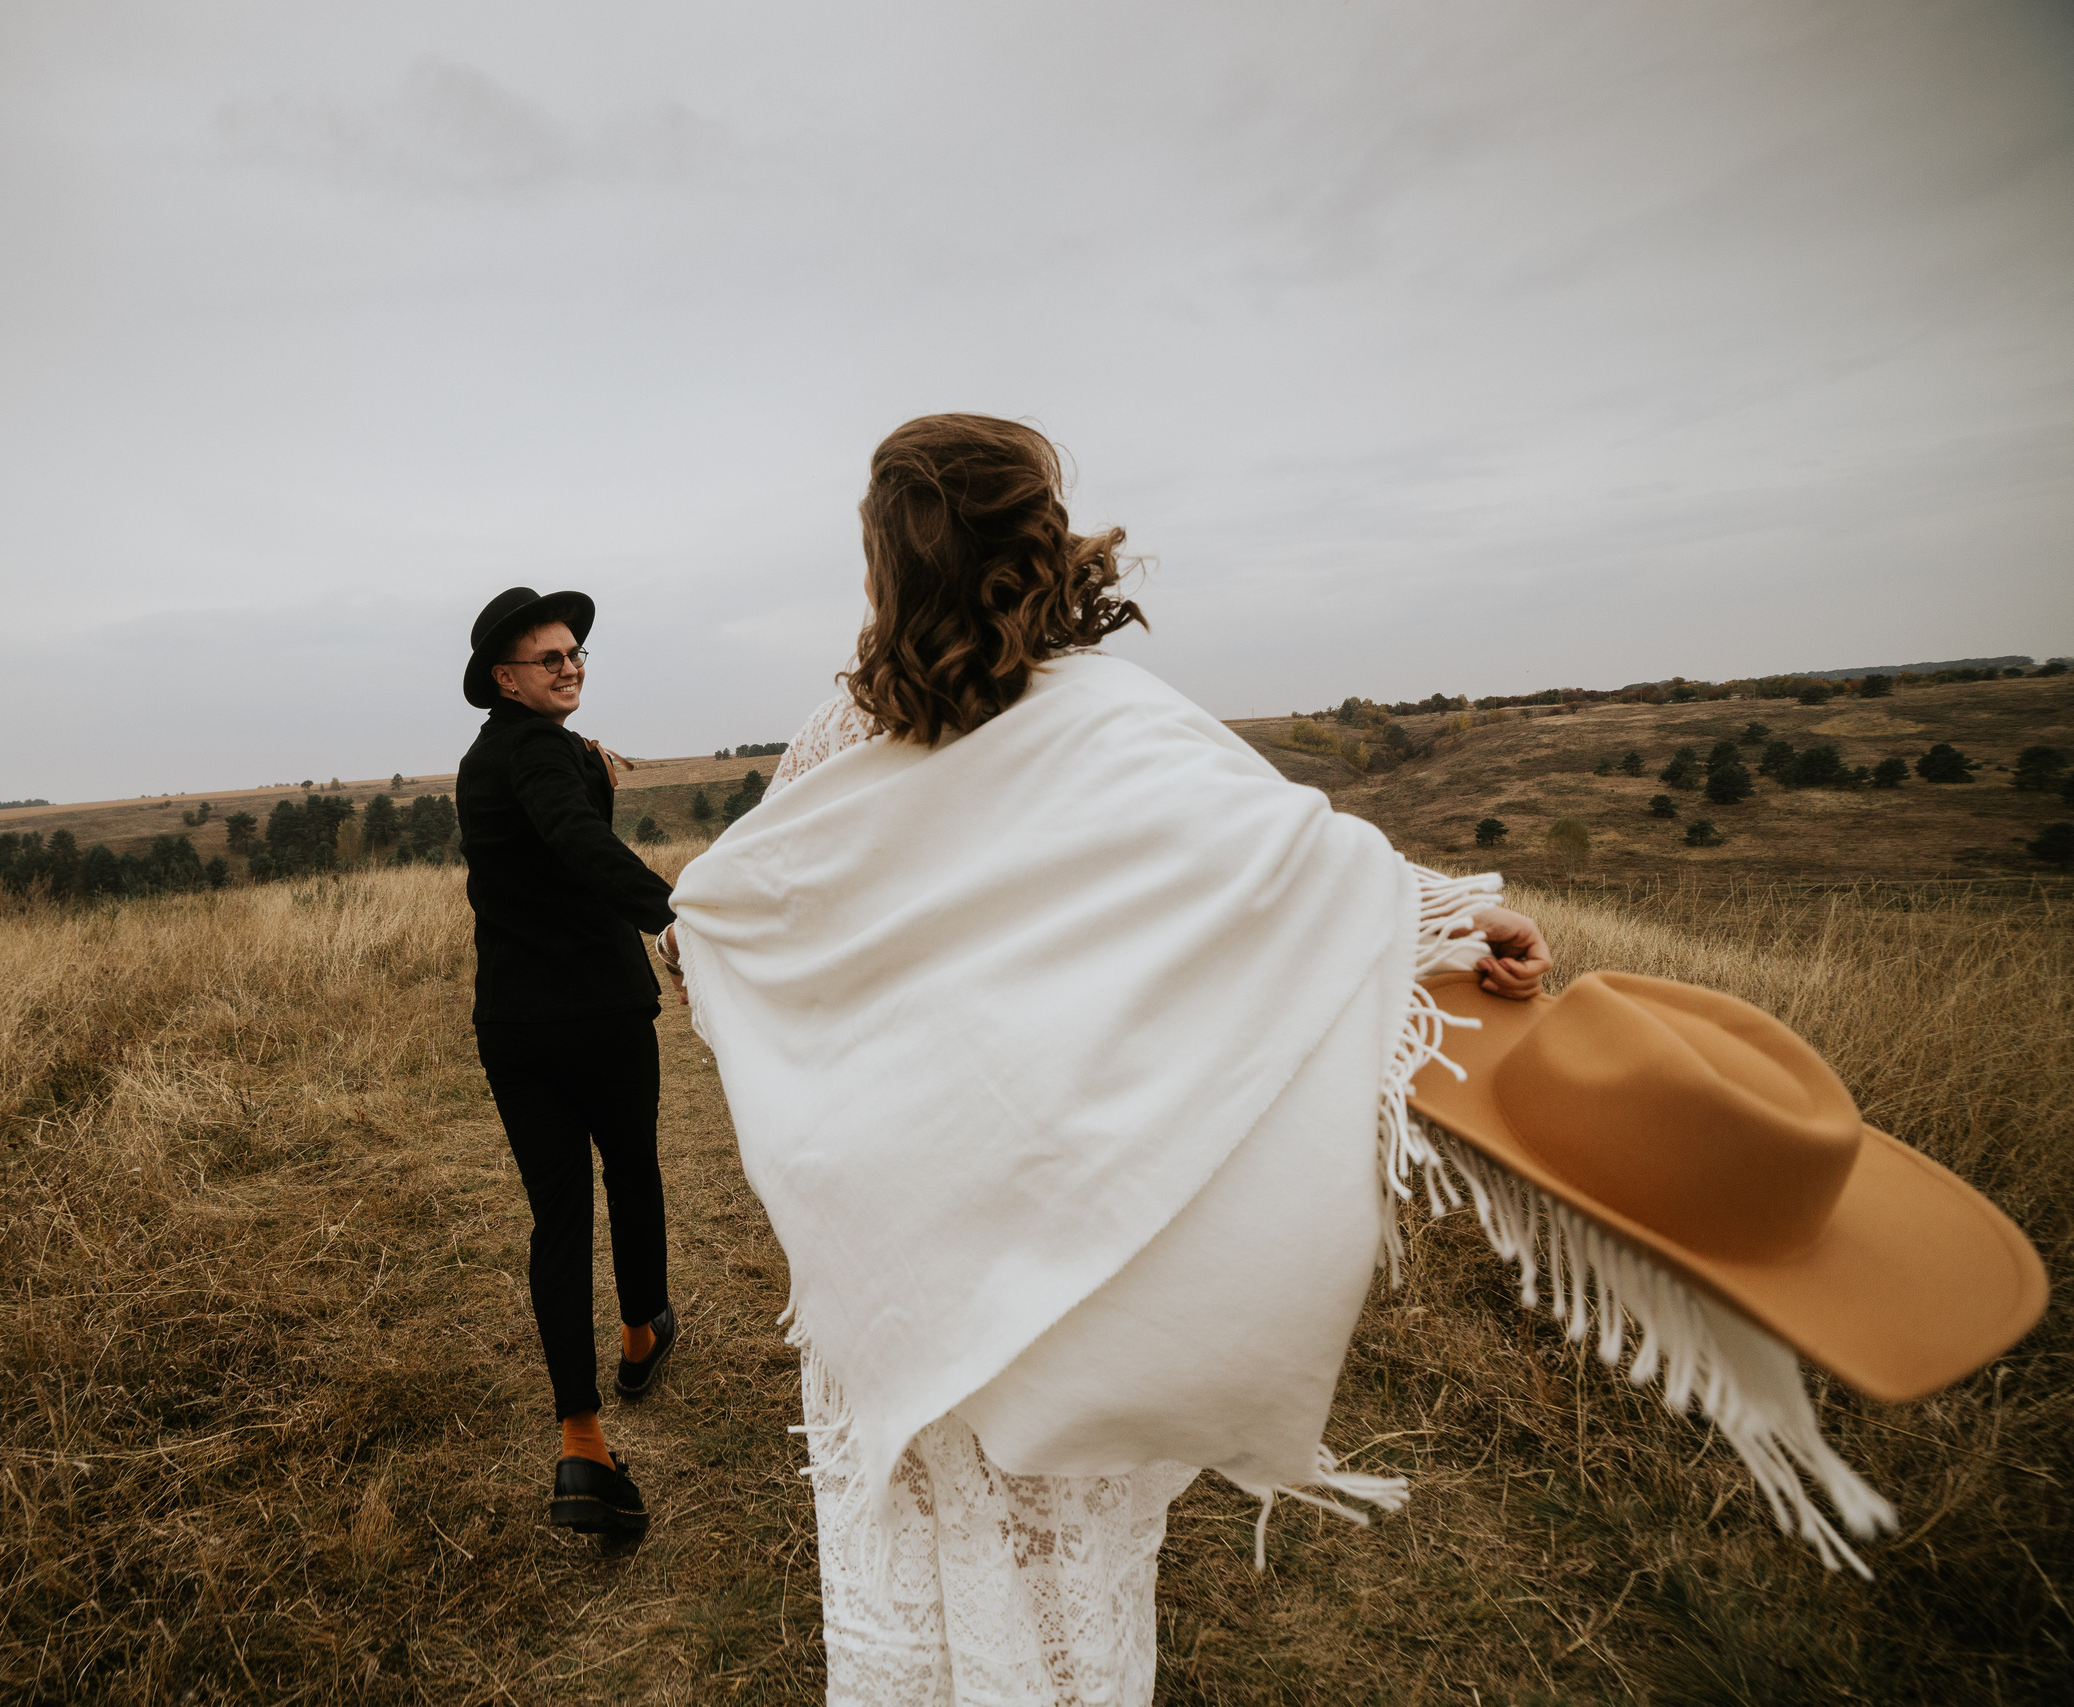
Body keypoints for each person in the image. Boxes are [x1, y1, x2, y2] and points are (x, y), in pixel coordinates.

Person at [661, 416, 2037, 1705]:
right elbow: (1303, 866)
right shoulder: (1107, 717)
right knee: (1051, 1549)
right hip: (1047, 1211)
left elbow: (741, 909)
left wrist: (744, 983)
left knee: (922, 1521)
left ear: (885, 556)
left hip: (903, 1211)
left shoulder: (847, 737)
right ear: (1042, 537)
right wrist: (1451, 922)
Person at [457, 586, 683, 1543]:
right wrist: (669, 912)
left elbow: (547, 831)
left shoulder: (484, 759)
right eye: (549, 658)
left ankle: (583, 1438)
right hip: (595, 1009)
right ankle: (640, 1333)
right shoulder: (544, 751)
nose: (572, 664)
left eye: (577, 650)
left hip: (514, 1023)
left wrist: (586, 769)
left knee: (558, 1212)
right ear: (505, 678)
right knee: (629, 1168)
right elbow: (576, 841)